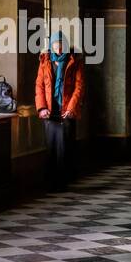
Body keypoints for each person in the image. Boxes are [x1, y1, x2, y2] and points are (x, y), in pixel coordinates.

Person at [35, 29, 85, 188]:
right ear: (51, 45)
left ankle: (65, 181)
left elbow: (79, 86)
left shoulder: (74, 61)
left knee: (65, 146)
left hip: (66, 111)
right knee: (51, 146)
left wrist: (71, 108)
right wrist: (42, 107)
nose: (59, 48)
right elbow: (39, 86)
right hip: (50, 110)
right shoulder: (45, 61)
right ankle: (51, 182)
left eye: (62, 44)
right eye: (56, 44)